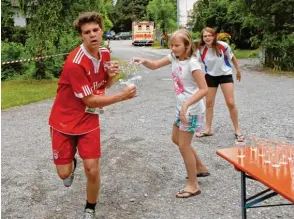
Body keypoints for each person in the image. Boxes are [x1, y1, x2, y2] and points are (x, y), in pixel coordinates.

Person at [48, 12, 136, 218]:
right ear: (81, 36)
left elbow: (101, 86)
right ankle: (70, 164)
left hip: (88, 118)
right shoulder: (74, 63)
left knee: (93, 169)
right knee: (63, 173)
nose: (92, 35)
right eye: (87, 32)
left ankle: (90, 207)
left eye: (96, 30)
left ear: (102, 30)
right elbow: (89, 100)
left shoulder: (104, 53)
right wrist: (121, 97)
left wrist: (111, 77)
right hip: (64, 121)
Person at [133, 29, 209, 198]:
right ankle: (200, 168)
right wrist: (144, 60)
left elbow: (204, 89)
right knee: (176, 139)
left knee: (184, 146)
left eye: (177, 45)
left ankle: (193, 184)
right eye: (171, 45)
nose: (173, 48)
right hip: (182, 107)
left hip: (191, 109)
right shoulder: (174, 58)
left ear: (187, 45)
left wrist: (187, 105)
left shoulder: (192, 64)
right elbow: (154, 65)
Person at [195, 27, 244, 142]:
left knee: (231, 103)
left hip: (225, 74)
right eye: (205, 36)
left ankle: (237, 130)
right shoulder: (201, 49)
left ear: (214, 36)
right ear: (202, 38)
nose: (207, 38)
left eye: (209, 35)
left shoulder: (223, 45)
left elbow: (232, 58)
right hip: (210, 76)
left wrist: (238, 70)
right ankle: (207, 129)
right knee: (209, 103)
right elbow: (195, 64)